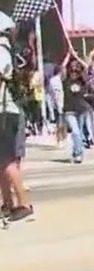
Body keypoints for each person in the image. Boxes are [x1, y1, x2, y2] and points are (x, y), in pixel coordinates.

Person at [0, 12, 33, 223]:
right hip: (5, 110)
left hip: (4, 111)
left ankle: (23, 204)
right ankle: (8, 204)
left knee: (7, 160)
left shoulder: (1, 48)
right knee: (1, 161)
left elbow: (2, 73)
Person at [61, 57, 94, 164]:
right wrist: (68, 57)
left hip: (81, 110)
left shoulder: (82, 80)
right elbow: (62, 67)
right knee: (75, 132)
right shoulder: (66, 80)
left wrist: (76, 58)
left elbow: (86, 67)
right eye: (72, 68)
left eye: (76, 68)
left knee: (79, 133)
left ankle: (77, 153)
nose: (74, 70)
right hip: (69, 110)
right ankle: (78, 153)